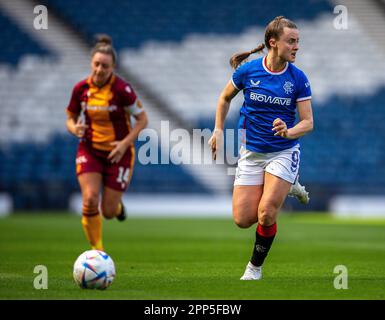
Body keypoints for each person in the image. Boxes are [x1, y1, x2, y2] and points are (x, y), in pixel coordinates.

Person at [209, 16, 313, 280]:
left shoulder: (298, 78)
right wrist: (218, 130)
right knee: (243, 219)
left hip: (283, 150)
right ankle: (288, 185)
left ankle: (254, 268)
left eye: (298, 41)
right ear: (273, 43)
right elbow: (224, 98)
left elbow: (308, 122)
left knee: (266, 213)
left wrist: (288, 131)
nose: (296, 46)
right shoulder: (249, 71)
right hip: (252, 153)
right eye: (291, 41)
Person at [66, 34, 148, 251]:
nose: (100, 69)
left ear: (112, 68)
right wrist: (75, 128)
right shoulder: (81, 89)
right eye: (96, 64)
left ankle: (116, 205)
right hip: (90, 150)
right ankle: (97, 252)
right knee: (90, 199)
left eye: (105, 66)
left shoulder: (122, 91)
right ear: (91, 63)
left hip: (118, 154)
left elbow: (142, 120)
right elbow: (70, 118)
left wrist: (124, 144)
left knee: (109, 211)